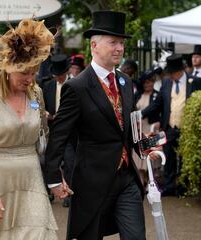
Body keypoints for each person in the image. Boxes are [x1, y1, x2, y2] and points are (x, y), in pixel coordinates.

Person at [44, 11, 160, 240]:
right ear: (94, 45)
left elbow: (128, 129)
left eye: (122, 43)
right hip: (92, 182)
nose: (119, 48)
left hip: (126, 179)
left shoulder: (126, 83)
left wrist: (148, 145)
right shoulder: (76, 87)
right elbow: (59, 135)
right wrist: (54, 178)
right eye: (113, 42)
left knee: (136, 237)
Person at [0, 18, 58, 240]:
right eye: (24, 73)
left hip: (31, 178)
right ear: (7, 69)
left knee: (37, 233)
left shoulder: (37, 94)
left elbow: (45, 137)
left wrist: (57, 175)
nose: (29, 79)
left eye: (33, 72)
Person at [142, 54, 201, 196]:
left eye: (172, 73)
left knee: (185, 160)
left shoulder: (196, 82)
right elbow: (157, 104)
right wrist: (140, 114)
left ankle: (184, 188)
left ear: (180, 71)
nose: (170, 75)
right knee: (168, 158)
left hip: (187, 130)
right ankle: (169, 187)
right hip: (168, 128)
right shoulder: (167, 83)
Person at [42, 54, 75, 208]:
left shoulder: (75, 84)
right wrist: (46, 113)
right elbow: (41, 105)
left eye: (60, 75)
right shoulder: (48, 86)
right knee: (50, 161)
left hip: (70, 131)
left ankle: (67, 192)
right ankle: (50, 190)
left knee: (69, 162)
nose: (58, 78)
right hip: (51, 129)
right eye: (56, 75)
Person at [133, 69, 161, 187]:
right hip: (139, 128)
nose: (147, 84)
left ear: (153, 82)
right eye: (145, 82)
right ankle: (141, 181)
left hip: (151, 128)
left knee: (150, 156)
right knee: (139, 156)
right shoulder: (138, 95)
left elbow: (158, 109)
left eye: (150, 82)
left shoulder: (156, 95)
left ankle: (151, 183)